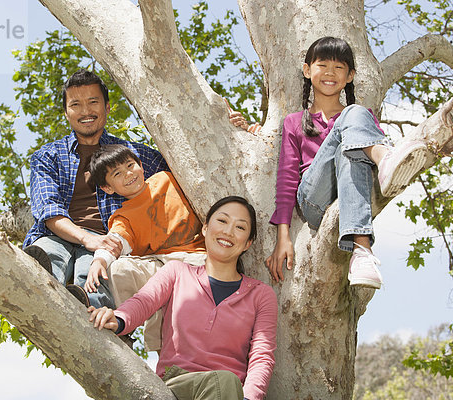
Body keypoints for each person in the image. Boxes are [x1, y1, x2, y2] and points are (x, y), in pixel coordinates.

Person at [231, 37, 428, 289]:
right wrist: (283, 236)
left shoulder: (360, 119)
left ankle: (362, 253)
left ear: (350, 75)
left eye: (339, 68)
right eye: (322, 65)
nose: (330, 73)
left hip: (352, 188)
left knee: (353, 138)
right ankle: (384, 157)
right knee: (353, 115)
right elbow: (287, 177)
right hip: (313, 198)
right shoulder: (294, 121)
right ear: (307, 70)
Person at [89, 196, 278, 400]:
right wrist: (117, 319)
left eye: (240, 227)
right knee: (224, 380)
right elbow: (144, 301)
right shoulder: (177, 272)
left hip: (229, 392)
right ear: (205, 228)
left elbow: (262, 356)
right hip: (175, 386)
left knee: (226, 382)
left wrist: (250, 398)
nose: (228, 231)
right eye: (222, 221)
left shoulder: (261, 295)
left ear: (248, 243)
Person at [23, 69, 168, 308]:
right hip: (56, 235)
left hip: (107, 240)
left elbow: (184, 170)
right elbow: (48, 209)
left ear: (107, 107)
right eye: (76, 104)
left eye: (93, 102)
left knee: (90, 279)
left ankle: (94, 313)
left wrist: (234, 124)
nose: (86, 111)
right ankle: (35, 289)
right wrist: (86, 238)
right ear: (67, 112)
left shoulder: (133, 154)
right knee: (47, 256)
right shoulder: (47, 156)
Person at [84, 143, 206, 350]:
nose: (128, 174)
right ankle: (158, 348)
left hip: (196, 257)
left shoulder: (166, 178)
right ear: (108, 188)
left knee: (178, 296)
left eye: (130, 165)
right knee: (120, 269)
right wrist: (99, 260)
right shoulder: (122, 217)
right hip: (160, 266)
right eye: (117, 173)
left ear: (141, 165)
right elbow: (116, 241)